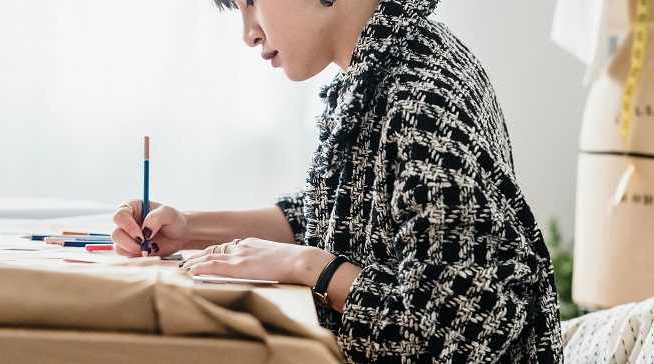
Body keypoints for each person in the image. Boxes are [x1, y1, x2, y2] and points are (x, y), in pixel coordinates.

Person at [111, 0, 564, 362]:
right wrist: (188, 227)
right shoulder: (382, 63)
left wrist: (307, 266)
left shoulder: (420, 98)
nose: (248, 33)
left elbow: (448, 330)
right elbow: (327, 213)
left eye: (251, 1)